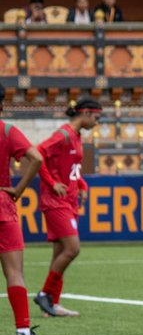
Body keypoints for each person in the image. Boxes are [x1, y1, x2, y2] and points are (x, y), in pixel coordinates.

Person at [33, 98, 102, 318]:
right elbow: (37, 154)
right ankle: (45, 294)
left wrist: (81, 184)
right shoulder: (62, 135)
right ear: (86, 114)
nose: (97, 123)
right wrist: (52, 183)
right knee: (72, 249)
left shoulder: (76, 136)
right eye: (97, 118)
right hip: (56, 201)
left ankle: (52, 305)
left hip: (69, 200)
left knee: (60, 253)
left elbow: (72, 168)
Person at [0, 83, 44, 335]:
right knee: (14, 271)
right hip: (3, 203)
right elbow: (36, 158)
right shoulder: (7, 130)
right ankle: (23, 331)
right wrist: (18, 188)